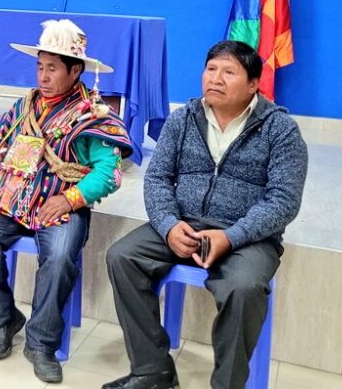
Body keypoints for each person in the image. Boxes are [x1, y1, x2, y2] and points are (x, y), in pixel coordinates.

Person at [103, 40, 308, 389]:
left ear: (253, 84)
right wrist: (169, 226)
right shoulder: (183, 119)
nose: (216, 78)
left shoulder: (281, 130)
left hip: (247, 237)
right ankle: (152, 370)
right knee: (122, 257)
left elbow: (284, 200)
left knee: (244, 288)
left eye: (229, 72)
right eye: (211, 69)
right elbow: (157, 178)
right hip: (184, 224)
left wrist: (231, 236)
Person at [0, 19, 133, 383]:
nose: (43, 75)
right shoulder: (24, 107)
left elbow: (109, 173)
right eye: (40, 66)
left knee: (58, 256)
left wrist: (70, 200)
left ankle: (41, 343)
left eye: (53, 68)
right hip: (14, 199)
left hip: (61, 203)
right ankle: (3, 320)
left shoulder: (92, 115)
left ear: (75, 71)